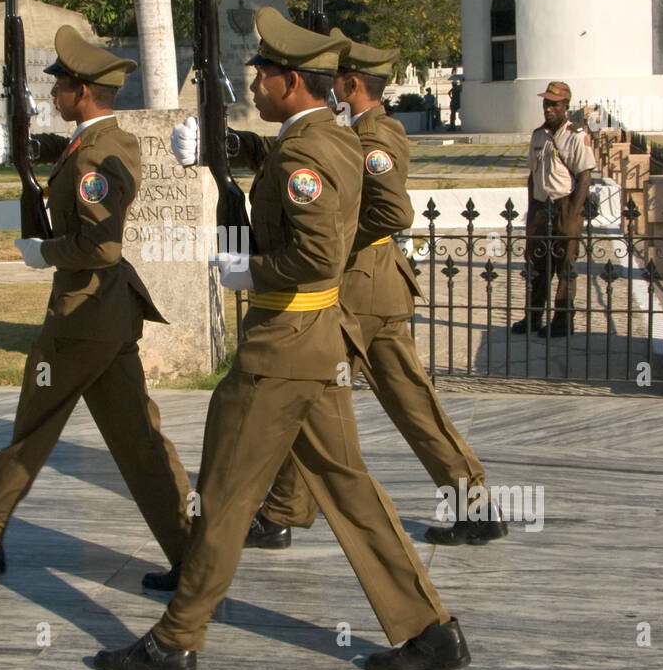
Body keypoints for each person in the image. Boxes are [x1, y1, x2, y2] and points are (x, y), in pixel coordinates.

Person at [92, 7, 469, 670]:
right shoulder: (330, 136)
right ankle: (430, 630)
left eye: (260, 74)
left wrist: (247, 268)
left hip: (280, 351)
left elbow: (319, 254)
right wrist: (224, 150)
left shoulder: (308, 152)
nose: (254, 84)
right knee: (348, 489)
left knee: (226, 491)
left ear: (290, 80)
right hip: (315, 344)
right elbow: (295, 182)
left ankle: (177, 637)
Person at [0, 25, 192, 579]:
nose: (53, 94)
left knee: (33, 430)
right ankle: (193, 558)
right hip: (109, 318)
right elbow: (81, 184)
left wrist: (43, 252)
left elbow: (100, 243)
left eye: (61, 84)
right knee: (140, 443)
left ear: (84, 91)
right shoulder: (105, 142)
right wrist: (39, 153)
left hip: (81, 318)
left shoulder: (96, 154)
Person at [229, 31, 504, 548]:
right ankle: (473, 505)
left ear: (349, 82)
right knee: (367, 403)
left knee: (321, 399)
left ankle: (283, 514)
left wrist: (335, 239)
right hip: (366, 293)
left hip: (363, 292)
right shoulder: (345, 131)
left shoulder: (377, 134)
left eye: (332, 76)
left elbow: (393, 212)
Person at [511, 80, 597, 339]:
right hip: (540, 206)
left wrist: (573, 211)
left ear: (565, 107)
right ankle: (533, 316)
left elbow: (584, 176)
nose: (548, 108)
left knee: (565, 267)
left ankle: (562, 320)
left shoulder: (575, 135)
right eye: (546, 103)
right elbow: (531, 174)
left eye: (554, 104)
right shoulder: (538, 135)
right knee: (537, 266)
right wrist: (531, 208)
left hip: (564, 205)